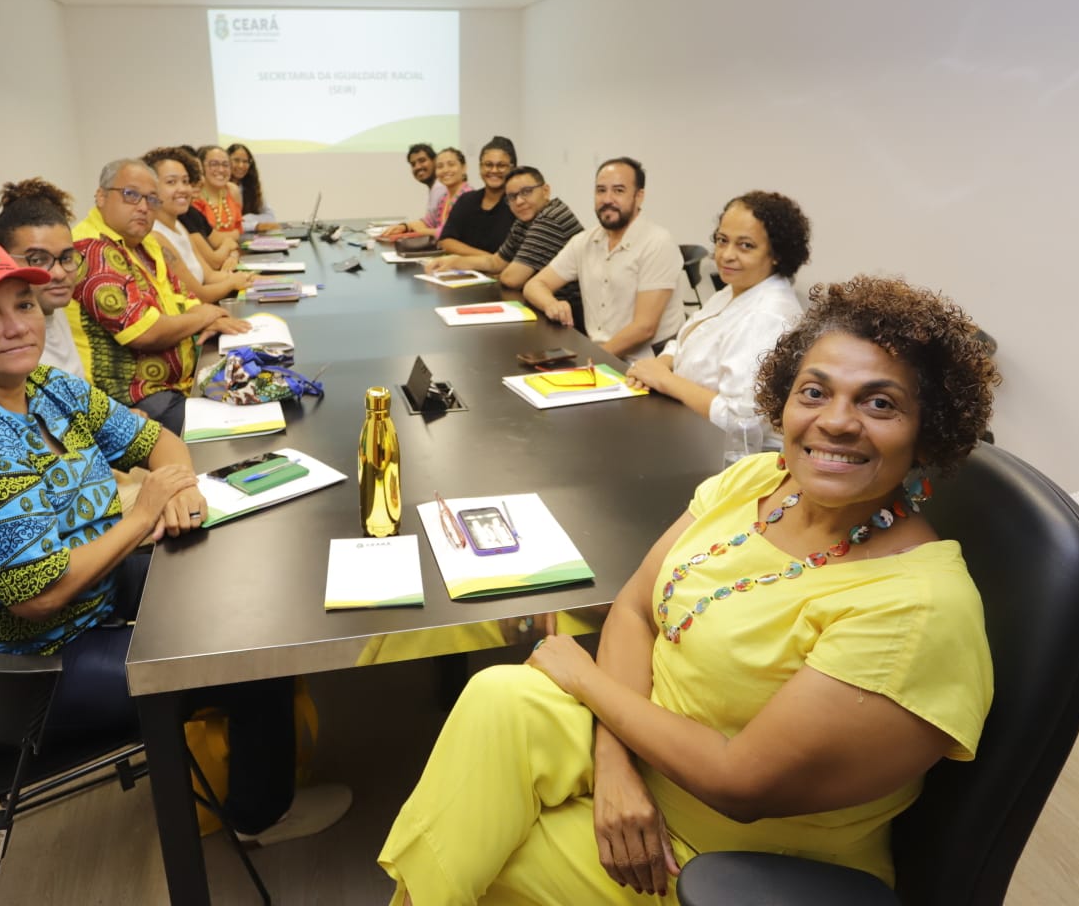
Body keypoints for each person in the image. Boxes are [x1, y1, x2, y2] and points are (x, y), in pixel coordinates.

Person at [379, 275, 1001, 904]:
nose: (836, 422)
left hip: (723, 860)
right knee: (496, 695)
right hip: (643, 756)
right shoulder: (762, 481)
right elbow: (637, 608)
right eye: (814, 392)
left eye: (880, 404)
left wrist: (584, 678)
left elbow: (739, 784)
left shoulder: (914, 607)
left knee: (481, 865)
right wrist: (616, 767)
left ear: (929, 432)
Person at [0, 239, 350, 844]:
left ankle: (248, 761)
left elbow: (155, 441)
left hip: (86, 597)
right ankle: (259, 816)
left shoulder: (47, 386)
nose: (16, 326)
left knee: (237, 589)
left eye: (24, 305)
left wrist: (179, 487)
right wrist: (144, 515)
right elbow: (39, 594)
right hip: (19, 668)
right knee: (249, 656)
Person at [68, 158, 249, 436]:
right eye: (131, 195)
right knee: (237, 431)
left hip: (178, 384)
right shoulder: (92, 251)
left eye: (152, 200)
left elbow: (185, 297)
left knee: (258, 390)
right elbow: (147, 332)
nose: (143, 207)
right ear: (101, 196)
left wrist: (203, 316)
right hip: (134, 401)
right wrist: (204, 316)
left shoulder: (145, 242)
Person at [627, 191, 811, 444]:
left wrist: (665, 380)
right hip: (690, 429)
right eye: (722, 240)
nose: (726, 255)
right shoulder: (733, 291)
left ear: (776, 254)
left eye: (745, 245)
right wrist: (662, 364)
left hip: (727, 453)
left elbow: (741, 422)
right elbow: (686, 339)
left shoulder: (766, 316)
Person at [522, 157, 684, 361]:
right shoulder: (584, 241)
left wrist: (590, 360)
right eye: (601, 190)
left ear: (639, 196)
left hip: (644, 364)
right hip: (599, 355)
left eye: (618, 190)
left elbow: (644, 328)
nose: (607, 199)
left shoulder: (657, 243)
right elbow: (534, 285)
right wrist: (551, 303)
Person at [424, 166, 583, 289]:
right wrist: (455, 262)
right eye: (512, 197)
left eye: (526, 192)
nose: (519, 201)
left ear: (545, 191)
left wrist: (498, 274)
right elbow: (496, 262)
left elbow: (511, 279)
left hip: (570, 315)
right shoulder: (525, 219)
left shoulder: (550, 219)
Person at [0, 178, 86, 379]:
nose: (59, 273)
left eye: (66, 258)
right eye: (38, 259)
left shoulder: (52, 306)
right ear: (2, 259)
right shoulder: (8, 343)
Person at [142, 146, 255, 302]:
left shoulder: (179, 226)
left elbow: (209, 276)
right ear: (149, 188)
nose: (182, 189)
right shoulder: (155, 235)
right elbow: (198, 294)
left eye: (186, 181)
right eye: (171, 182)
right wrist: (232, 282)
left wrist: (249, 277)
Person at [439, 136, 516, 256]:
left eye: (501, 165)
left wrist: (492, 264)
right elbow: (446, 241)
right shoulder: (466, 200)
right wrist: (489, 260)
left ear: (512, 168)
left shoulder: (518, 205)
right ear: (480, 167)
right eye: (488, 165)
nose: (494, 170)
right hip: (465, 271)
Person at [389, 147, 471, 238]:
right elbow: (428, 222)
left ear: (464, 168)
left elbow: (452, 233)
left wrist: (422, 231)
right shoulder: (444, 197)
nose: (445, 170)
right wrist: (405, 227)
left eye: (451, 165)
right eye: (440, 166)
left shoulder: (469, 198)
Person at [187, 143, 245, 241]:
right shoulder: (194, 195)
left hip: (234, 251)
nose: (221, 170)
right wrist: (232, 236)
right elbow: (204, 240)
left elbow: (238, 231)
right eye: (214, 164)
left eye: (225, 165)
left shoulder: (233, 190)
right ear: (201, 167)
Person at [228, 143, 280, 232]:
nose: (241, 165)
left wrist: (247, 218)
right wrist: (255, 226)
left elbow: (271, 218)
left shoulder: (251, 186)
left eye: (245, 161)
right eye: (236, 160)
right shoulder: (219, 189)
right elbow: (228, 225)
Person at [406, 142, 447, 226]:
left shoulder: (441, 188)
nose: (417, 167)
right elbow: (430, 221)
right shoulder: (435, 187)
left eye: (422, 161)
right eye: (413, 164)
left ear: (435, 161)